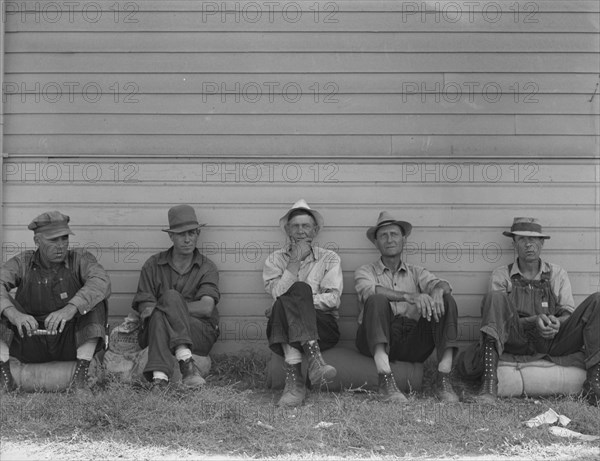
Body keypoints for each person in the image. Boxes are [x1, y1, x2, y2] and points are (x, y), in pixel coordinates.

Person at [458, 217, 600, 404]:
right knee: (495, 297)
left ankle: (594, 384)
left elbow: (567, 313)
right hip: (518, 339)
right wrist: (534, 320)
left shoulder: (557, 273)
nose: (529, 244)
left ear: (542, 243)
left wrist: (557, 323)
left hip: (553, 340)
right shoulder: (502, 275)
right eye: (523, 239)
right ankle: (489, 386)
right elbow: (499, 319)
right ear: (514, 243)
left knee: (598, 300)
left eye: (533, 240)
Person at [354, 211, 460, 403]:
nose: (389, 239)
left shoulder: (416, 272)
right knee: (377, 299)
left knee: (446, 299)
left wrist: (437, 291)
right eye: (383, 235)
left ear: (403, 240)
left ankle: (443, 378)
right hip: (375, 336)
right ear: (376, 243)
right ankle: (385, 379)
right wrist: (408, 296)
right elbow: (369, 290)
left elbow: (443, 284)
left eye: (394, 234)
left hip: (412, 340)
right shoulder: (365, 271)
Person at [0, 211, 110, 393]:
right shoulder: (22, 262)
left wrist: (71, 308)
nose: (60, 246)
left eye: (64, 238)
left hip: (68, 340)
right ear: (37, 241)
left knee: (94, 301)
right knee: (2, 306)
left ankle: (80, 379)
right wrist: (14, 314)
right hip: (29, 339)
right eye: (53, 240)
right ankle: (5, 379)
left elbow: (101, 281)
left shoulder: (81, 259)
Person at [263, 199, 343, 406]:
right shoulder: (274, 260)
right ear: (287, 230)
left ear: (315, 230)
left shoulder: (329, 258)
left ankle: (294, 383)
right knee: (289, 298)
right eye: (295, 226)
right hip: (283, 327)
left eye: (306, 226)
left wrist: (301, 301)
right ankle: (313, 363)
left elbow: (333, 299)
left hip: (322, 327)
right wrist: (294, 262)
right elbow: (278, 294)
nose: (301, 231)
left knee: (295, 294)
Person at [132, 205, 220, 391]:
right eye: (181, 234)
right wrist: (166, 308)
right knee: (159, 314)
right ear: (171, 236)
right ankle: (186, 363)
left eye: (192, 233)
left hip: (198, 332)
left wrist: (168, 306)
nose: (188, 240)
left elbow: (206, 308)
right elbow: (146, 310)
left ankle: (159, 380)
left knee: (169, 299)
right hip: (154, 331)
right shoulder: (153, 265)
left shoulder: (207, 267)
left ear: (198, 233)